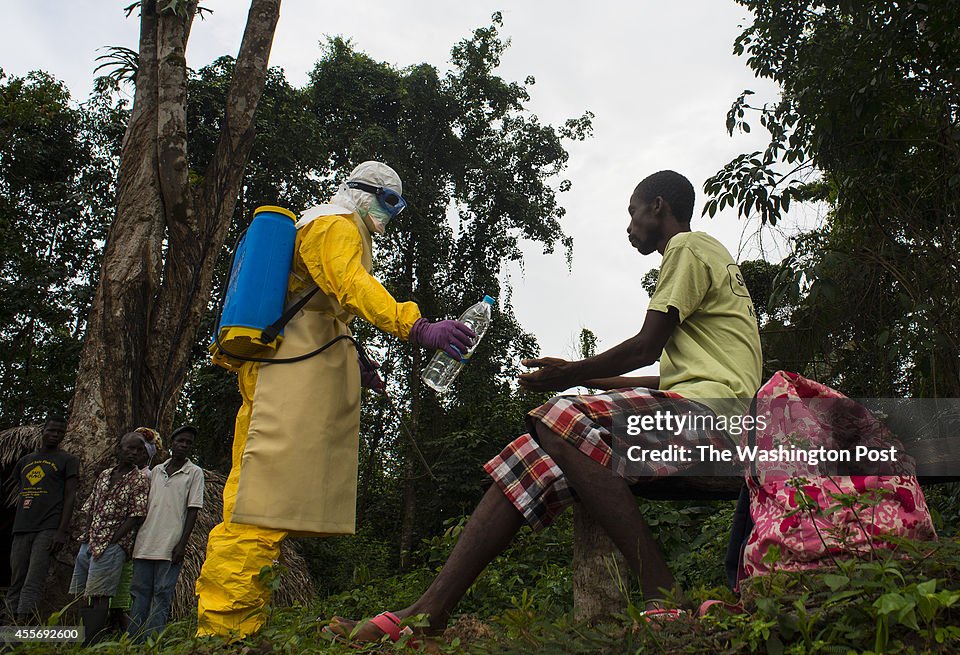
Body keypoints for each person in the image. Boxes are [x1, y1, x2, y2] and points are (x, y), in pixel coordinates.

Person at [325, 170, 763, 642]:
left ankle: (664, 594)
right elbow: (671, 372)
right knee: (528, 461)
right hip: (701, 410)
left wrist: (568, 379)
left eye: (632, 211)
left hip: (719, 423)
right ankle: (426, 615)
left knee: (560, 416)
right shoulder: (709, 257)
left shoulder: (686, 248)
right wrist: (584, 372)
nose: (630, 225)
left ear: (658, 206)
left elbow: (645, 348)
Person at [196, 161, 477, 638]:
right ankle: (223, 634)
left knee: (270, 504)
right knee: (256, 505)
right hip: (282, 378)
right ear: (360, 193)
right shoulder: (335, 223)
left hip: (294, 373)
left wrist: (355, 362)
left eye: (399, 205)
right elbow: (351, 285)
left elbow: (324, 309)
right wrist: (416, 324)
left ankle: (242, 626)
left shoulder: (337, 229)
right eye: (389, 201)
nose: (392, 214)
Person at [69, 432, 149, 644]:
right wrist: (87, 535)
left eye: (139, 450)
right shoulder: (105, 475)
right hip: (90, 541)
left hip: (112, 545)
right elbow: (91, 506)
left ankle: (91, 642)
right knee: (85, 592)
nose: (133, 453)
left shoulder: (139, 480)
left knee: (101, 594)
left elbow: (136, 515)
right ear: (119, 449)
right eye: (129, 448)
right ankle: (83, 637)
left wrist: (113, 540)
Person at [129, 425, 204, 638]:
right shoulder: (156, 471)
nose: (184, 445)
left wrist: (181, 545)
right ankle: (133, 640)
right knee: (139, 594)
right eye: (181, 441)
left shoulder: (194, 473)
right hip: (145, 543)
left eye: (189, 443)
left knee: (162, 594)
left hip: (170, 546)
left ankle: (152, 640)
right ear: (172, 443)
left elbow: (193, 511)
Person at [6, 415, 79, 623]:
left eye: (59, 432)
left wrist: (61, 531)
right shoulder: (25, 462)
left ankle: (22, 624)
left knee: (34, 578)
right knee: (17, 578)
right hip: (21, 528)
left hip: (48, 528)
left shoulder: (68, 460)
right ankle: (9, 623)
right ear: (43, 431)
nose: (55, 435)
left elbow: (70, 496)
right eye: (51, 430)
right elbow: (20, 491)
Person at [108, 426, 162, 633]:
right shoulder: (114, 474)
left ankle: (125, 628)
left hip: (132, 537)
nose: (135, 454)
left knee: (127, 584)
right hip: (111, 534)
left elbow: (141, 512)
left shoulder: (149, 476)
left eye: (141, 450)